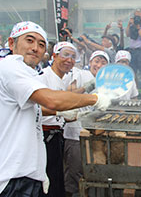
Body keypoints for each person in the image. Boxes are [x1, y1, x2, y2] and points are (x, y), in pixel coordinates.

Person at [0, 21, 110, 197]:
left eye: (41, 44)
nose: (35, 48)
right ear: (12, 43)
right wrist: (95, 99)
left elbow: (34, 109)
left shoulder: (30, 73)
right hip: (14, 176)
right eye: (29, 40)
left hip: (27, 172)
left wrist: (60, 112)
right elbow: (50, 99)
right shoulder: (11, 66)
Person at [63, 50, 109, 197]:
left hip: (96, 137)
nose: (99, 65)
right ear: (89, 63)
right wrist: (87, 87)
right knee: (74, 173)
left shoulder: (108, 82)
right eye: (96, 61)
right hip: (75, 134)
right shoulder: (80, 74)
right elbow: (69, 95)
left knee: (93, 174)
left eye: (103, 62)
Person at [38, 41, 81, 197]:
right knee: (47, 180)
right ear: (54, 56)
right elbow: (34, 108)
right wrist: (58, 112)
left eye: (73, 57)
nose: (69, 60)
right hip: (43, 137)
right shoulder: (43, 77)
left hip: (57, 135)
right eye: (65, 55)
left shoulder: (64, 80)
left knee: (57, 179)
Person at [126, 8, 141, 88]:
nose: (137, 18)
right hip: (132, 50)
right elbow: (127, 34)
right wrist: (129, 24)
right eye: (135, 16)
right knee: (133, 71)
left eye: (139, 16)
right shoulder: (132, 25)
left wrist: (138, 27)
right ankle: (134, 88)